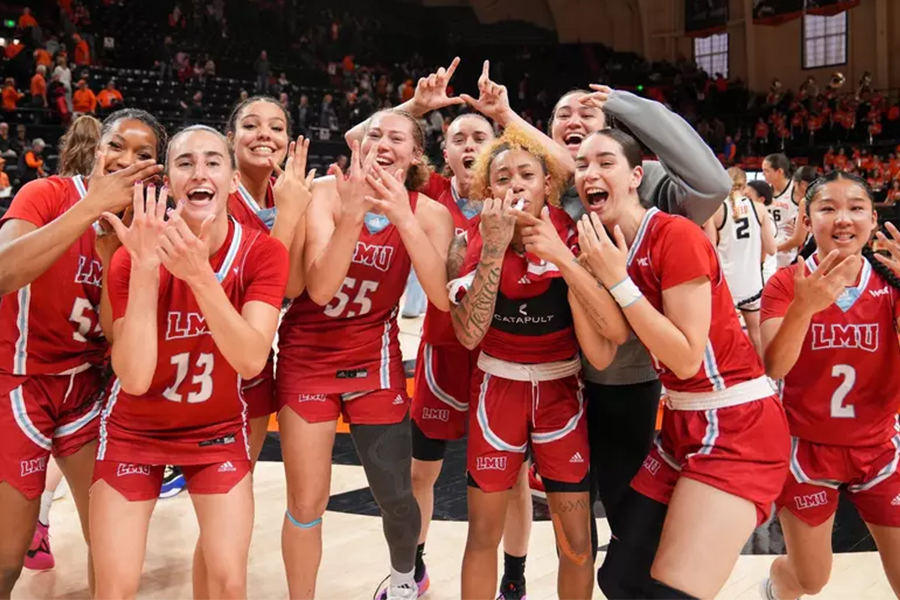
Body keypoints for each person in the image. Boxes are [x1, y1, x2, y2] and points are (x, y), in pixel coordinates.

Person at [574, 127, 789, 600]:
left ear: (636, 175)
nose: (590, 172)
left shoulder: (675, 234)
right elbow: (605, 351)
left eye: (605, 162)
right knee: (620, 577)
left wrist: (615, 281)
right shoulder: (607, 248)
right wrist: (571, 266)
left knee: (675, 590)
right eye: (581, 165)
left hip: (737, 425)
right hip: (683, 424)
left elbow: (688, 357)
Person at [90, 125, 289, 599]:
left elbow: (249, 360)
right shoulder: (132, 256)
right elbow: (134, 378)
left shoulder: (262, 253)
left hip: (216, 431)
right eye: (185, 163)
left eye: (213, 162)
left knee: (228, 581)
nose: (200, 172)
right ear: (169, 182)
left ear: (232, 179)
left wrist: (201, 277)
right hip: (134, 432)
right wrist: (142, 271)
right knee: (114, 588)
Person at [276, 109, 454, 600]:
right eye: (374, 133)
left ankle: (405, 581)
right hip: (306, 358)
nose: (383, 143)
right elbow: (319, 285)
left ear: (416, 154)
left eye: (397, 137)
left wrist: (401, 215)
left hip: (372, 361)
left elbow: (440, 299)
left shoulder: (430, 213)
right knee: (307, 502)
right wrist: (354, 213)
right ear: (358, 143)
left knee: (396, 496)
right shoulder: (326, 194)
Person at [552, 84, 731, 561]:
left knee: (625, 518)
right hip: (548, 382)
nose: (574, 119)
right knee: (567, 535)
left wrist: (624, 104)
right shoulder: (547, 191)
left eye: (587, 113)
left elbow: (712, 185)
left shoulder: (650, 187)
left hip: (621, 380)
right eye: (562, 113)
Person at [450, 127, 626, 600]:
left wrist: (563, 261)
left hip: (560, 392)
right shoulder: (473, 236)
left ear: (548, 185)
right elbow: (469, 333)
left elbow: (609, 340)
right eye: (502, 177)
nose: (514, 184)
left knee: (576, 544)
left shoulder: (578, 234)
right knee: (482, 537)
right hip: (497, 389)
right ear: (489, 191)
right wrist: (492, 247)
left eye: (526, 174)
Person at [0, 108, 163, 599]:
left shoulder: (147, 227)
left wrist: (115, 249)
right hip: (19, 382)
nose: (124, 159)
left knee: (112, 547)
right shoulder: (45, 194)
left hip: (87, 389)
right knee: (7, 559)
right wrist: (90, 209)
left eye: (143, 154)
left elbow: (119, 338)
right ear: (96, 148)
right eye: (116, 145)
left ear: (156, 169)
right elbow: (3, 271)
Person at [758, 172, 900, 600]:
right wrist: (804, 309)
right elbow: (775, 366)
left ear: (873, 220)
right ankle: (778, 583)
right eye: (827, 208)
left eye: (856, 208)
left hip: (879, 449)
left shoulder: (891, 284)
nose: (843, 218)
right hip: (806, 451)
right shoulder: (785, 284)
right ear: (806, 218)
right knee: (812, 580)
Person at [703, 167, 777, 356]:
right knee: (757, 335)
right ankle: (767, 377)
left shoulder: (715, 210)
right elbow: (771, 249)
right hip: (752, 283)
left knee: (723, 336)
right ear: (745, 186)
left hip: (726, 285)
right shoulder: (759, 208)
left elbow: (710, 249)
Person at [763, 153, 797, 269]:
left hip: (789, 250)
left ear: (779, 172)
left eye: (767, 171)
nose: (763, 174)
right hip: (770, 247)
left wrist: (804, 232)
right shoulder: (765, 191)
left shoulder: (795, 189)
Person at [744, 180, 778, 283]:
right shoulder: (751, 216)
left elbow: (766, 252)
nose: (744, 201)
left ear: (761, 199)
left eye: (748, 197)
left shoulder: (767, 219)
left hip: (763, 274)